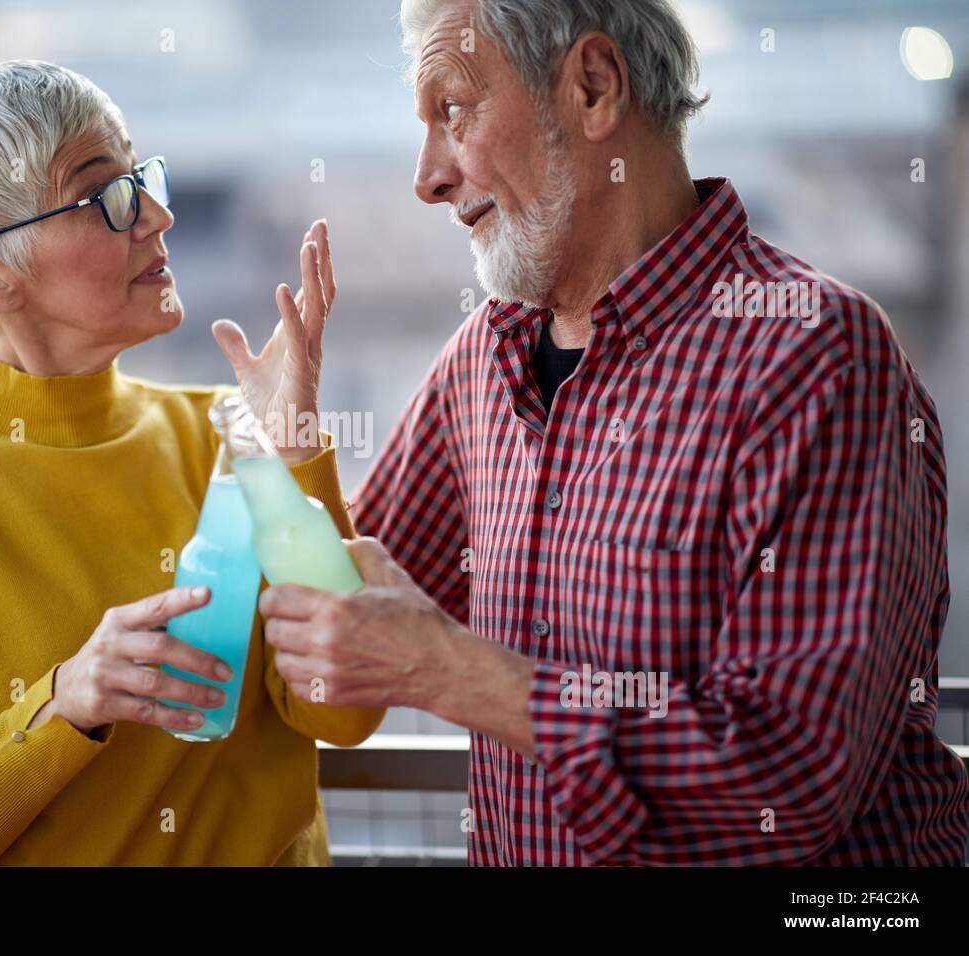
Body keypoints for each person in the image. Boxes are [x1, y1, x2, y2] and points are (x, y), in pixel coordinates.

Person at [252, 0, 969, 865]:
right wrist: (294, 443)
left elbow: (790, 778)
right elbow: (344, 628)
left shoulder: (815, 356)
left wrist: (450, 672)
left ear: (593, 88)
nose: (427, 177)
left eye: (453, 111)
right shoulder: (484, 357)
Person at [0, 59, 383, 867]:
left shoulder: (226, 437)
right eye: (107, 197)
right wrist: (66, 705)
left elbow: (346, 712)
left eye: (142, 178)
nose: (157, 215)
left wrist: (293, 447)